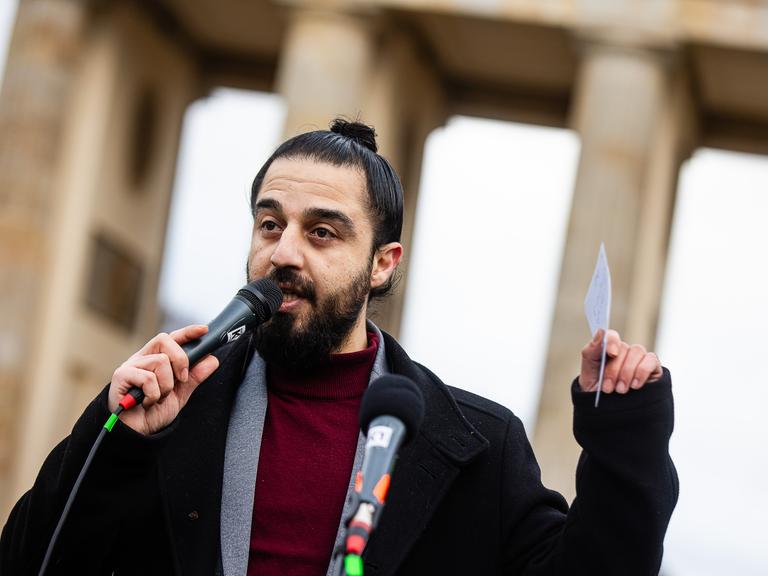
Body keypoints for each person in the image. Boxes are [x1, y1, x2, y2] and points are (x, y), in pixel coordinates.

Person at [0, 119, 677, 576]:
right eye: (271, 224)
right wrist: (118, 441)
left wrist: (626, 437)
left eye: (323, 233)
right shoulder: (170, 409)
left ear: (382, 263)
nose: (283, 252)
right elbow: (32, 558)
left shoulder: (479, 445)